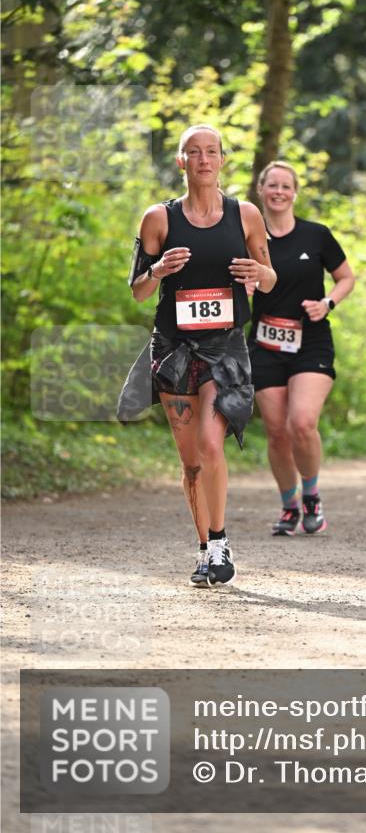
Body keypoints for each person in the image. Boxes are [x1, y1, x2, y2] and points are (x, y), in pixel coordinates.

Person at [120, 124, 276, 588]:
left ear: (223, 159)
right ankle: (206, 549)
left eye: (212, 151)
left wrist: (259, 271)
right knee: (191, 462)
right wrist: (158, 268)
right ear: (181, 162)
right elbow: (137, 292)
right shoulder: (159, 219)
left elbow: (270, 280)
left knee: (211, 445)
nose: (204, 159)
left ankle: (221, 542)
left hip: (224, 348)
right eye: (194, 152)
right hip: (173, 350)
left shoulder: (245, 215)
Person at [247, 161, 355, 537]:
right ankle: (289, 504)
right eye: (271, 185)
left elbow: (346, 277)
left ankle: (312, 496)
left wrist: (328, 303)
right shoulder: (247, 236)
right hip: (264, 343)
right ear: (261, 190)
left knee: (302, 423)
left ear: (294, 193)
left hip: (311, 340)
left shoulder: (316, 235)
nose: (278, 191)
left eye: (285, 186)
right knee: (277, 432)